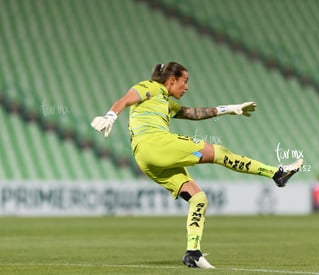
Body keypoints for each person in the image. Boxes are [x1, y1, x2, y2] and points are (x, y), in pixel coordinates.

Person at [91, 62, 303, 269]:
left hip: (146, 160)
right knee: (219, 152)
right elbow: (127, 99)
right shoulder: (150, 87)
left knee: (198, 198)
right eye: (185, 81)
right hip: (154, 144)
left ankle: (193, 253)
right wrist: (110, 116)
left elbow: (194, 113)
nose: (187, 86)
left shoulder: (166, 102)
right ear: (172, 80)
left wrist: (230, 108)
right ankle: (276, 173)